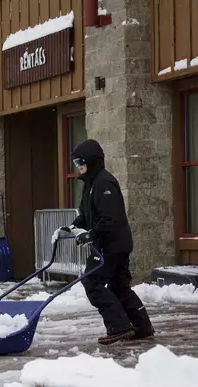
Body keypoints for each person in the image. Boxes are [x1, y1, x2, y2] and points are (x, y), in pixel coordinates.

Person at [59, 139, 155, 345]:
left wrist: (92, 234)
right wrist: (73, 226)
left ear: (93, 161)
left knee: (92, 282)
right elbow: (86, 214)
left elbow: (110, 219)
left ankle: (119, 327)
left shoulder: (103, 182)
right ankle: (141, 326)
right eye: (75, 163)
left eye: (81, 162)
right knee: (119, 286)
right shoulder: (91, 184)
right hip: (112, 244)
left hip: (111, 245)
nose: (78, 167)